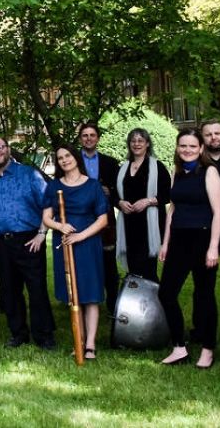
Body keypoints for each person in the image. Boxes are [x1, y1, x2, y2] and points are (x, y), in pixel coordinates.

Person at [0, 137, 55, 350]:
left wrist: (41, 233)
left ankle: (44, 336)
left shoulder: (29, 174)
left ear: (8, 149)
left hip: (29, 239)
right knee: (9, 291)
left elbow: (48, 203)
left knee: (37, 289)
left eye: (0, 148)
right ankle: (18, 333)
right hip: (1, 242)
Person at [158, 130, 220, 369]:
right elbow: (172, 210)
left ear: (201, 149)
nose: (187, 150)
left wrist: (214, 247)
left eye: (192, 146)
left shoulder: (210, 172)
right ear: (177, 148)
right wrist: (165, 242)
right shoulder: (177, 173)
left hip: (203, 238)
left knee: (204, 295)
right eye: (183, 146)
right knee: (166, 293)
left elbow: (219, 212)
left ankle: (208, 349)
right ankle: (179, 347)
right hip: (178, 239)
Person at [41, 145, 108, 359]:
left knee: (90, 294)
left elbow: (103, 219)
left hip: (87, 243)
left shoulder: (93, 185)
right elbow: (46, 218)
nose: (64, 160)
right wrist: (60, 227)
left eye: (67, 155)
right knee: (74, 294)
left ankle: (90, 345)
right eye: (60, 158)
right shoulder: (53, 186)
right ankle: (78, 340)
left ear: (76, 157)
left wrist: (80, 236)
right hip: (65, 244)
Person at [115, 128, 171, 283]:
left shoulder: (157, 167)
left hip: (149, 227)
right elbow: (114, 194)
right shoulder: (123, 168)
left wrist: (148, 201)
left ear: (147, 144)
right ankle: (135, 303)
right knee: (133, 268)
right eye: (133, 141)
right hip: (128, 226)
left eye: (140, 141)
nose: (136, 144)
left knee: (147, 270)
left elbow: (168, 194)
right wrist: (119, 203)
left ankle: (153, 303)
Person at [78, 122, 120, 314]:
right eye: (85, 135)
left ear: (98, 138)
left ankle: (113, 304)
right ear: (80, 139)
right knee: (83, 261)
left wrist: (109, 190)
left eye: (92, 135)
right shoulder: (72, 161)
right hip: (81, 217)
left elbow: (119, 191)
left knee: (108, 262)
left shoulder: (110, 163)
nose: (88, 138)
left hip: (105, 218)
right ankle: (83, 303)